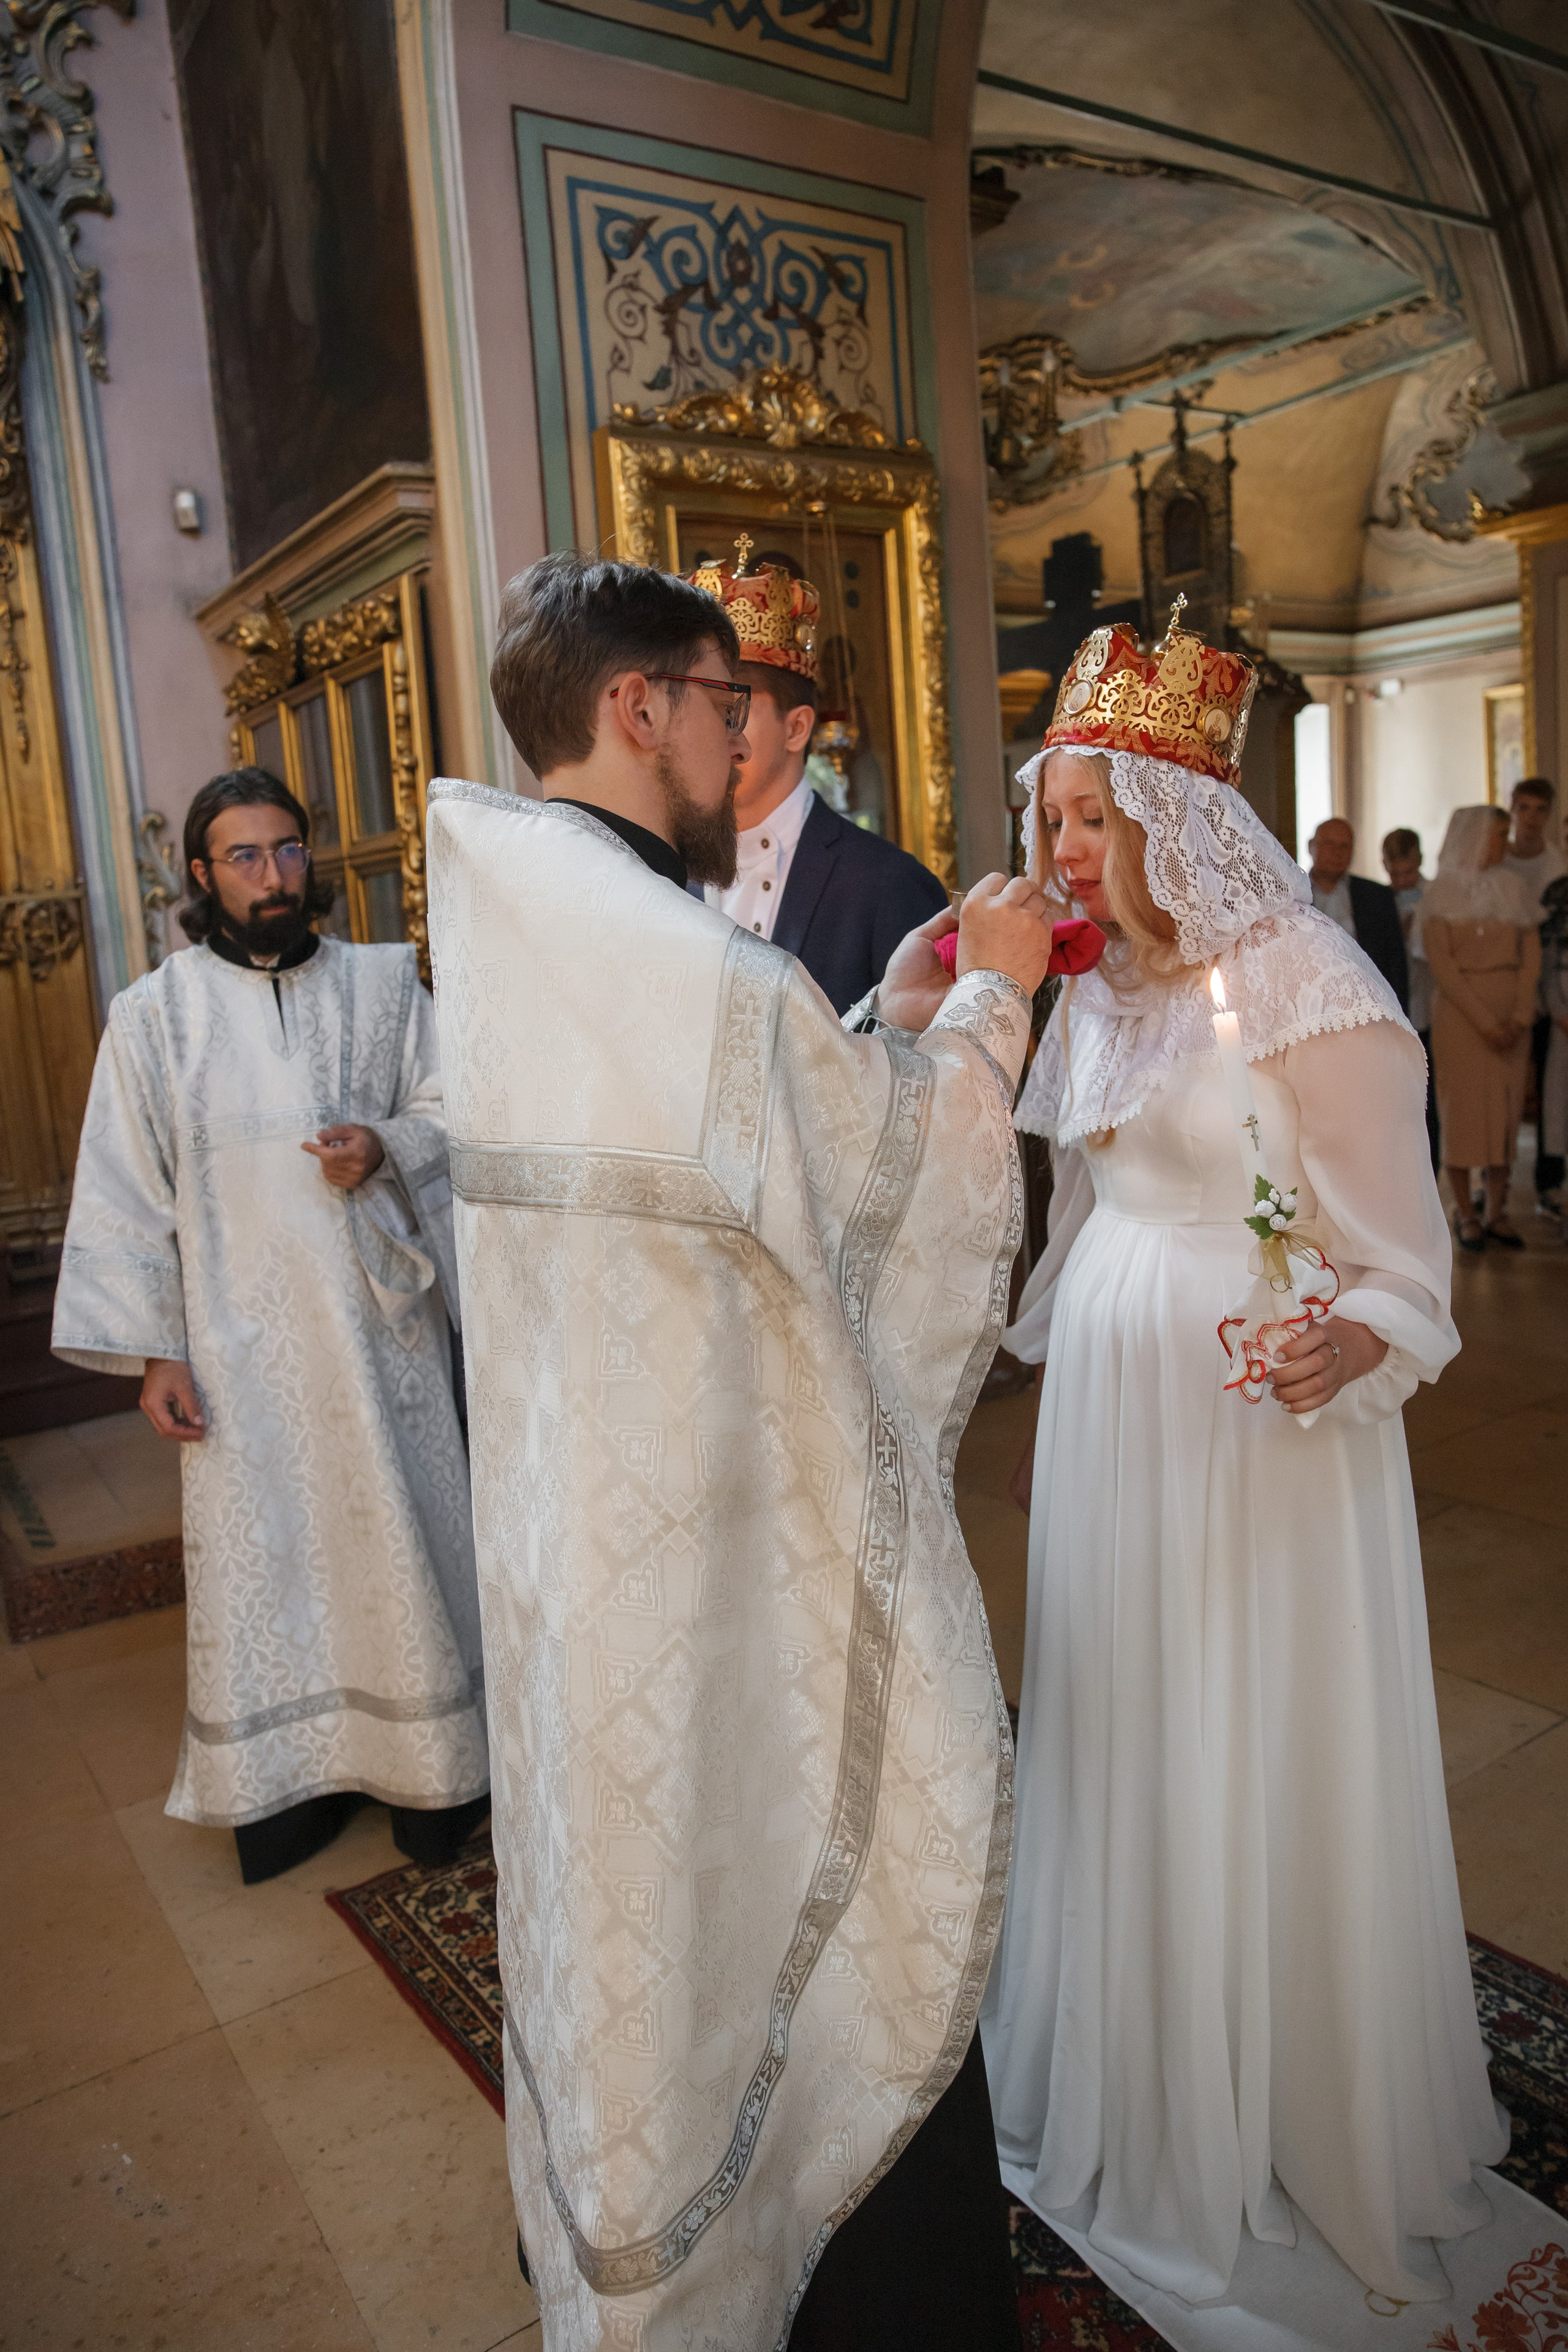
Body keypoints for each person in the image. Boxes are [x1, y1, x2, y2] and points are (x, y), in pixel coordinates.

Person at [426, 551, 1052, 2350]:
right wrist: (993, 1001)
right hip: (705, 1544)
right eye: (719, 701)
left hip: (580, 1538)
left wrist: (877, 1022)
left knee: (630, 1919)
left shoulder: (522, 916)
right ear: (638, 705)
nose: (740, 740)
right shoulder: (669, 942)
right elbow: (871, 1184)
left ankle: (639, 2234)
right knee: (761, 1863)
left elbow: (731, 1143)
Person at [984, 611, 1502, 2315]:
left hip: (1257, 1423)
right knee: (1128, 1717)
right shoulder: (1094, 992)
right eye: (1050, 817)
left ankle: (1281, 2089)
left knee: (1247, 1722)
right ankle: (1141, 2065)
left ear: (1174, 818)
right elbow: (1075, 1214)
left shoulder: (1301, 979)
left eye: (1090, 817)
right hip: (1115, 1418)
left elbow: (1402, 1255)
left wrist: (1349, 1340)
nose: (1062, 848)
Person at [52, 769, 486, 1883]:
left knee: (403, 1548)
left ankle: (431, 1777)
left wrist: (384, 1147)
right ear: (202, 874)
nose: (273, 875)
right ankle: (292, 1789)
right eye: (244, 857)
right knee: (277, 1566)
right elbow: (126, 1190)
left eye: (289, 849)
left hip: (380, 1349)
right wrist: (158, 1352)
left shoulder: (386, 986)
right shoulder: (153, 1018)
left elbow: (457, 1108)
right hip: (237, 1356)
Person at [691, 536, 949, 1014]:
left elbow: (921, 1054)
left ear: (797, 728)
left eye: (733, 709)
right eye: (702, 709)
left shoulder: (888, 885)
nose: (711, 734)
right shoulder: (668, 874)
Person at [1422, 804, 1542, 1253]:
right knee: (1463, 1112)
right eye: (1498, 834)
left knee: (1506, 1113)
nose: (1504, 843)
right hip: (1462, 1019)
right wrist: (1487, 1022)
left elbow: (1531, 958)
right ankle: (1465, 1211)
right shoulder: (1440, 893)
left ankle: (1496, 1209)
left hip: (1512, 1016)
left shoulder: (1515, 887)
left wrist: (1521, 1015)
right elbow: (1443, 968)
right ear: (1473, 837)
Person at [1504, 777, 1567, 1211]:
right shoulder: (1498, 859)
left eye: (1540, 810)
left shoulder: (1556, 865)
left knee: (1550, 1089)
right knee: (1504, 1090)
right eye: (1524, 808)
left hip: (1548, 989)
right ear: (1513, 810)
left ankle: (1549, 1180)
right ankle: (1497, 1185)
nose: (1531, 818)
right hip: (1503, 984)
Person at [1382, 825, 1439, 1169]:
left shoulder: (1436, 896)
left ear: (1420, 860)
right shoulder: (1379, 899)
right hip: (1395, 1004)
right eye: (1395, 873)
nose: (1402, 880)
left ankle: (1433, 1164)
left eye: (1409, 872)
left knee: (1430, 1094)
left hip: (1428, 999)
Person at [1307, 813, 1409, 1007]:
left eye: (1345, 846)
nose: (1337, 853)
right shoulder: (1292, 893)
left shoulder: (1377, 896)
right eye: (1330, 844)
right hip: (1310, 1000)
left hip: (1367, 1001)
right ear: (1311, 847)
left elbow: (1396, 963)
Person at [1540, 873, 1568, 1238]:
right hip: (1563, 1022)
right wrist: (1560, 1011)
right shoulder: (1558, 892)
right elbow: (1547, 961)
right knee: (1560, 1106)